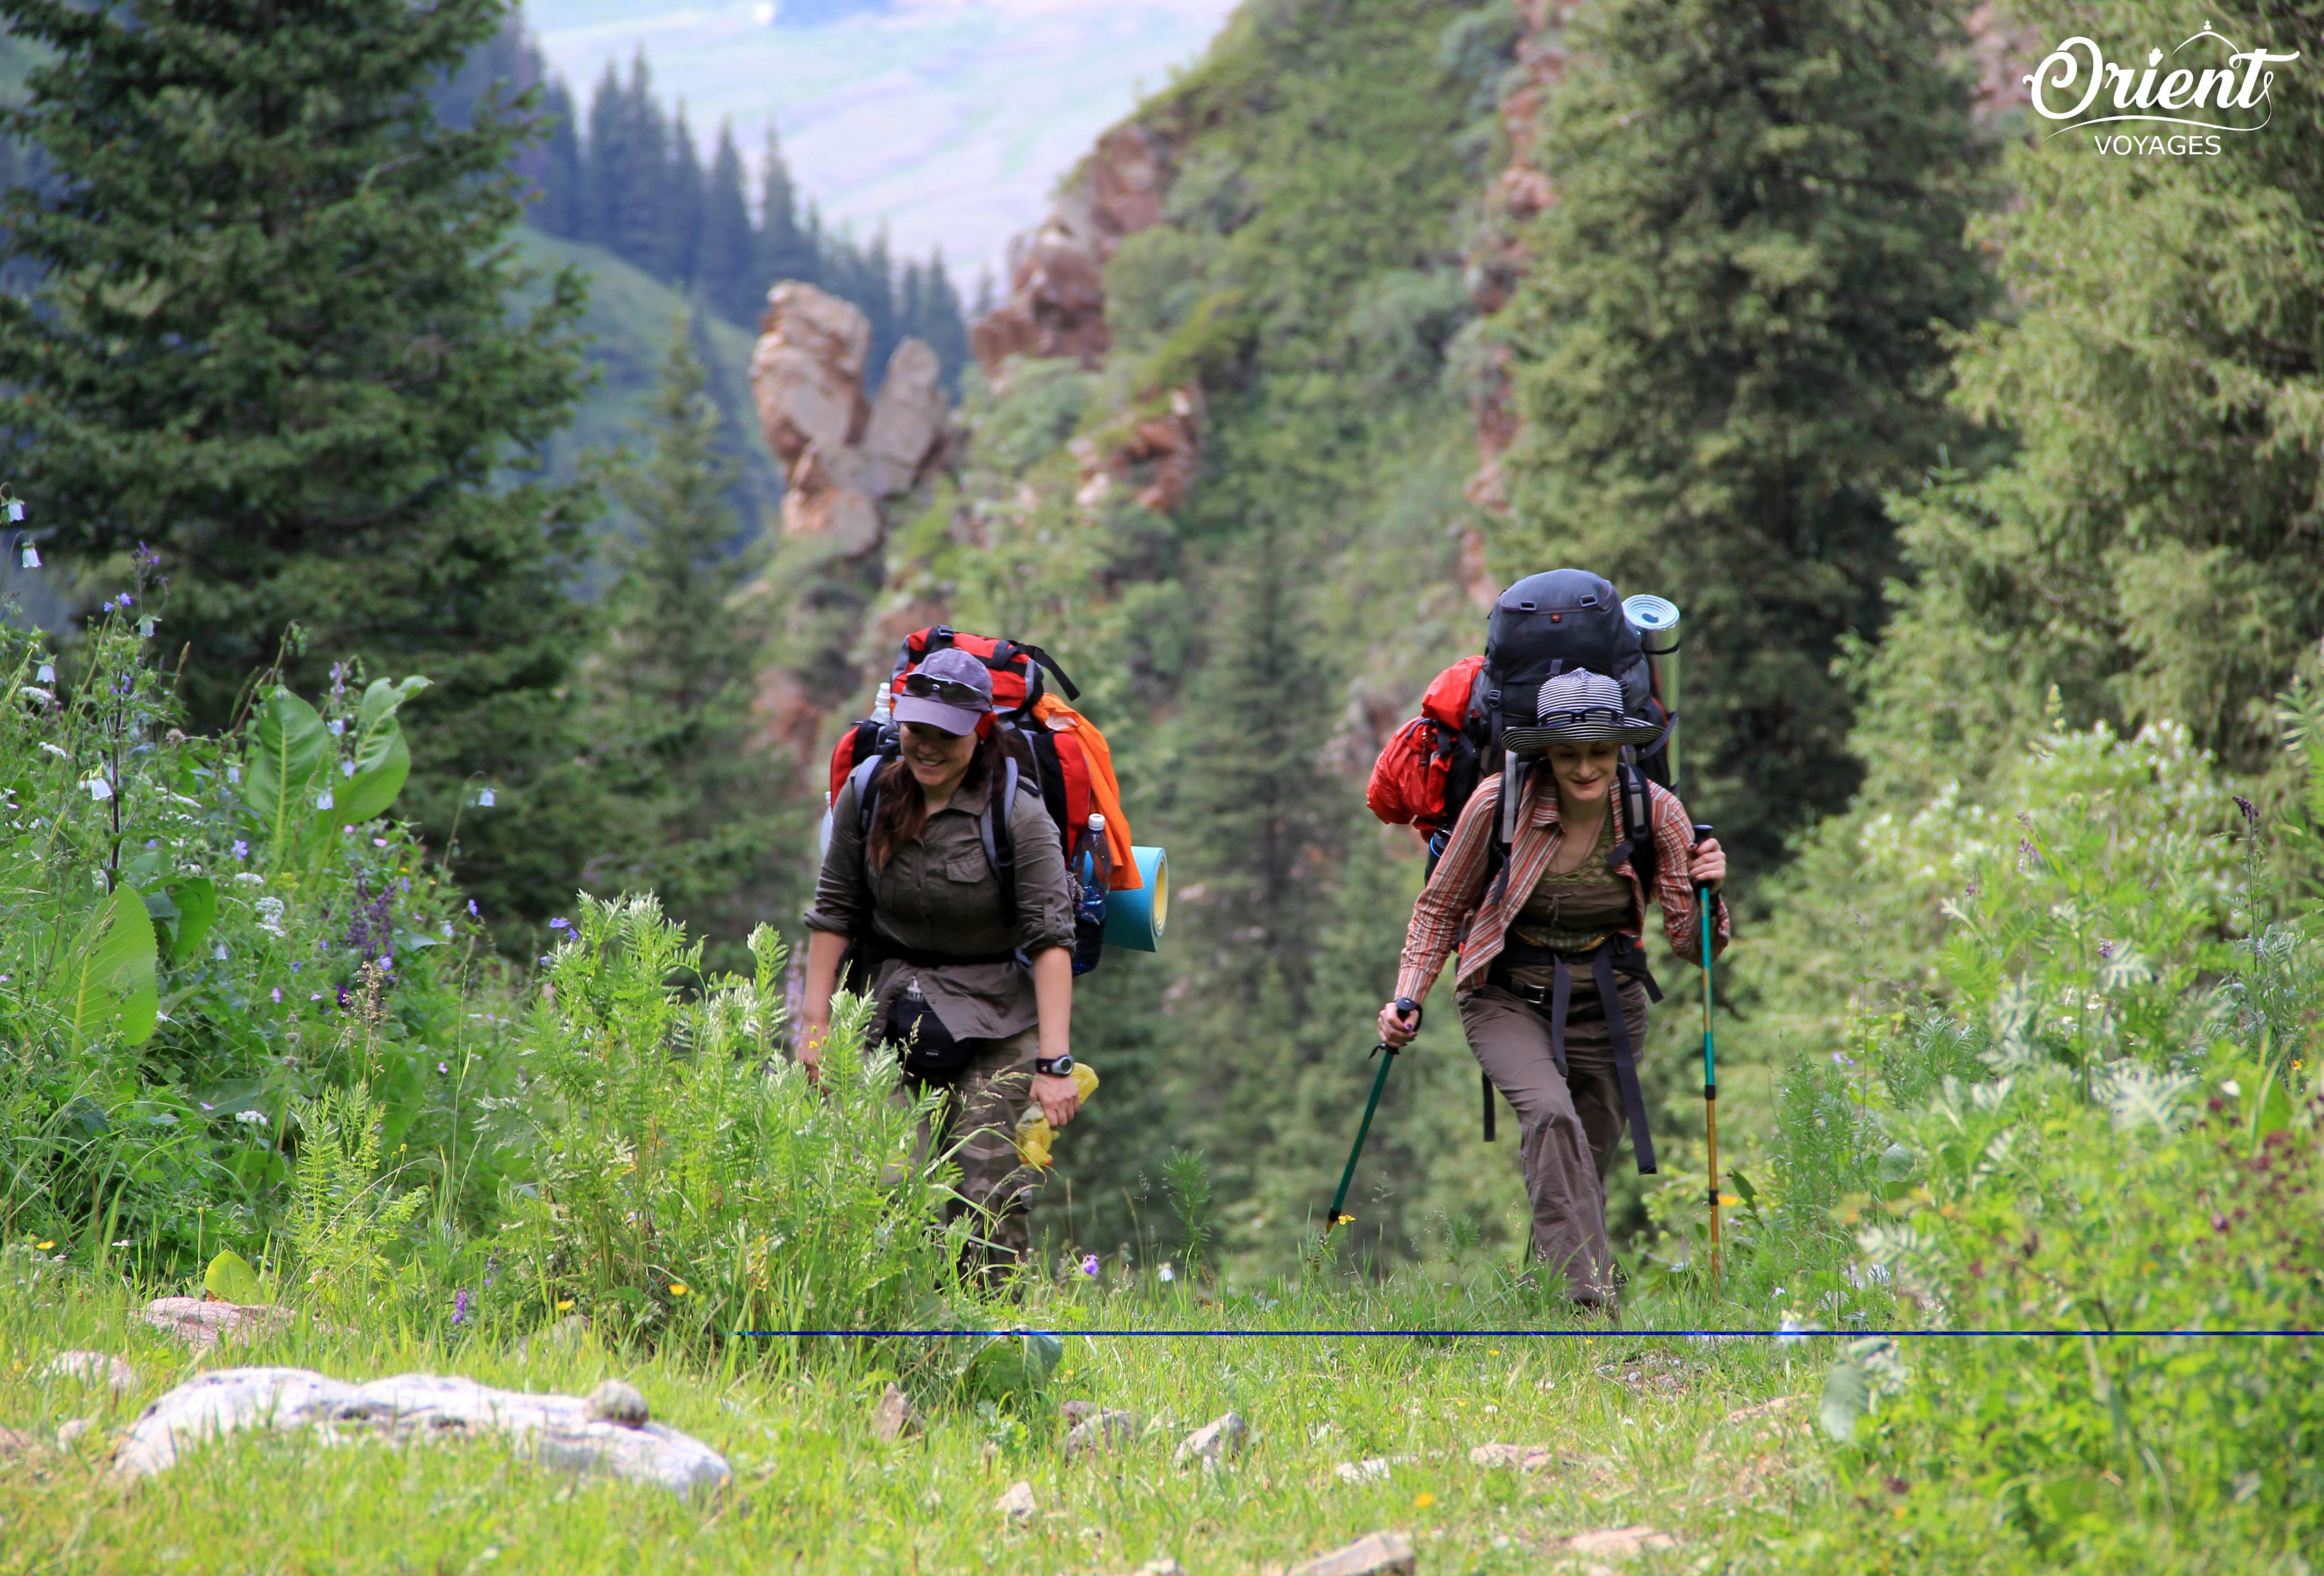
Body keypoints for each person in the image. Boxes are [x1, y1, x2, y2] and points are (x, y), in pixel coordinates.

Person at [1378, 668, 1729, 1310]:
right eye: (1568, 753)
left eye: (1598, 750)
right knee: (1549, 1116)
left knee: (1580, 1170)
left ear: (1620, 747)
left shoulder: (1656, 811)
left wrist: (1710, 890)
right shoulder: (1495, 804)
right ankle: (1591, 1314)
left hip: (1609, 1000)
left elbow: (1691, 945)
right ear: (1544, 752)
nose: (1585, 767)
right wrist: (1406, 996)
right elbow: (1437, 909)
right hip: (1505, 992)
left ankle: (1538, 1302)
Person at [799, 647, 1082, 1282]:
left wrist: (1055, 1064)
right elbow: (833, 911)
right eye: (915, 730)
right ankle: (891, 1332)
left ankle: (989, 1343)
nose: (925, 747)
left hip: (995, 1017)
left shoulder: (1017, 815)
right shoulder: (868, 793)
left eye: (944, 736)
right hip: (883, 1005)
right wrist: (815, 1024)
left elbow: (1050, 940)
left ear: (979, 733)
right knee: (887, 1182)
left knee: (988, 1195)